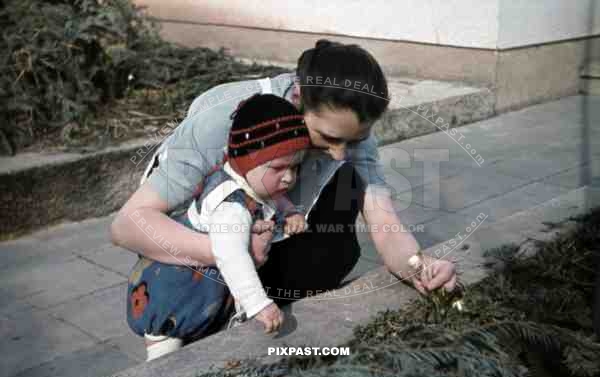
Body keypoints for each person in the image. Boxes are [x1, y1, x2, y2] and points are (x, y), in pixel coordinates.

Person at [111, 39, 457, 359]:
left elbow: (384, 223)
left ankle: (257, 306)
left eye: (355, 140)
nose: (340, 154)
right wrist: (230, 249)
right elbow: (128, 225)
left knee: (342, 217)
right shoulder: (225, 120)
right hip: (200, 228)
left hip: (266, 214)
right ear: (299, 97)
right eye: (328, 137)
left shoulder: (348, 131)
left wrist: (420, 268)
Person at [126, 94, 310, 361]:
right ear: (247, 161)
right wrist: (259, 304)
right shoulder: (231, 208)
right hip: (179, 283)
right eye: (280, 168)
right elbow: (232, 256)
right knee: (166, 351)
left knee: (206, 330)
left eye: (296, 166)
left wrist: (290, 211)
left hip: (205, 278)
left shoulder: (254, 178)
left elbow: (274, 194)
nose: (290, 177)